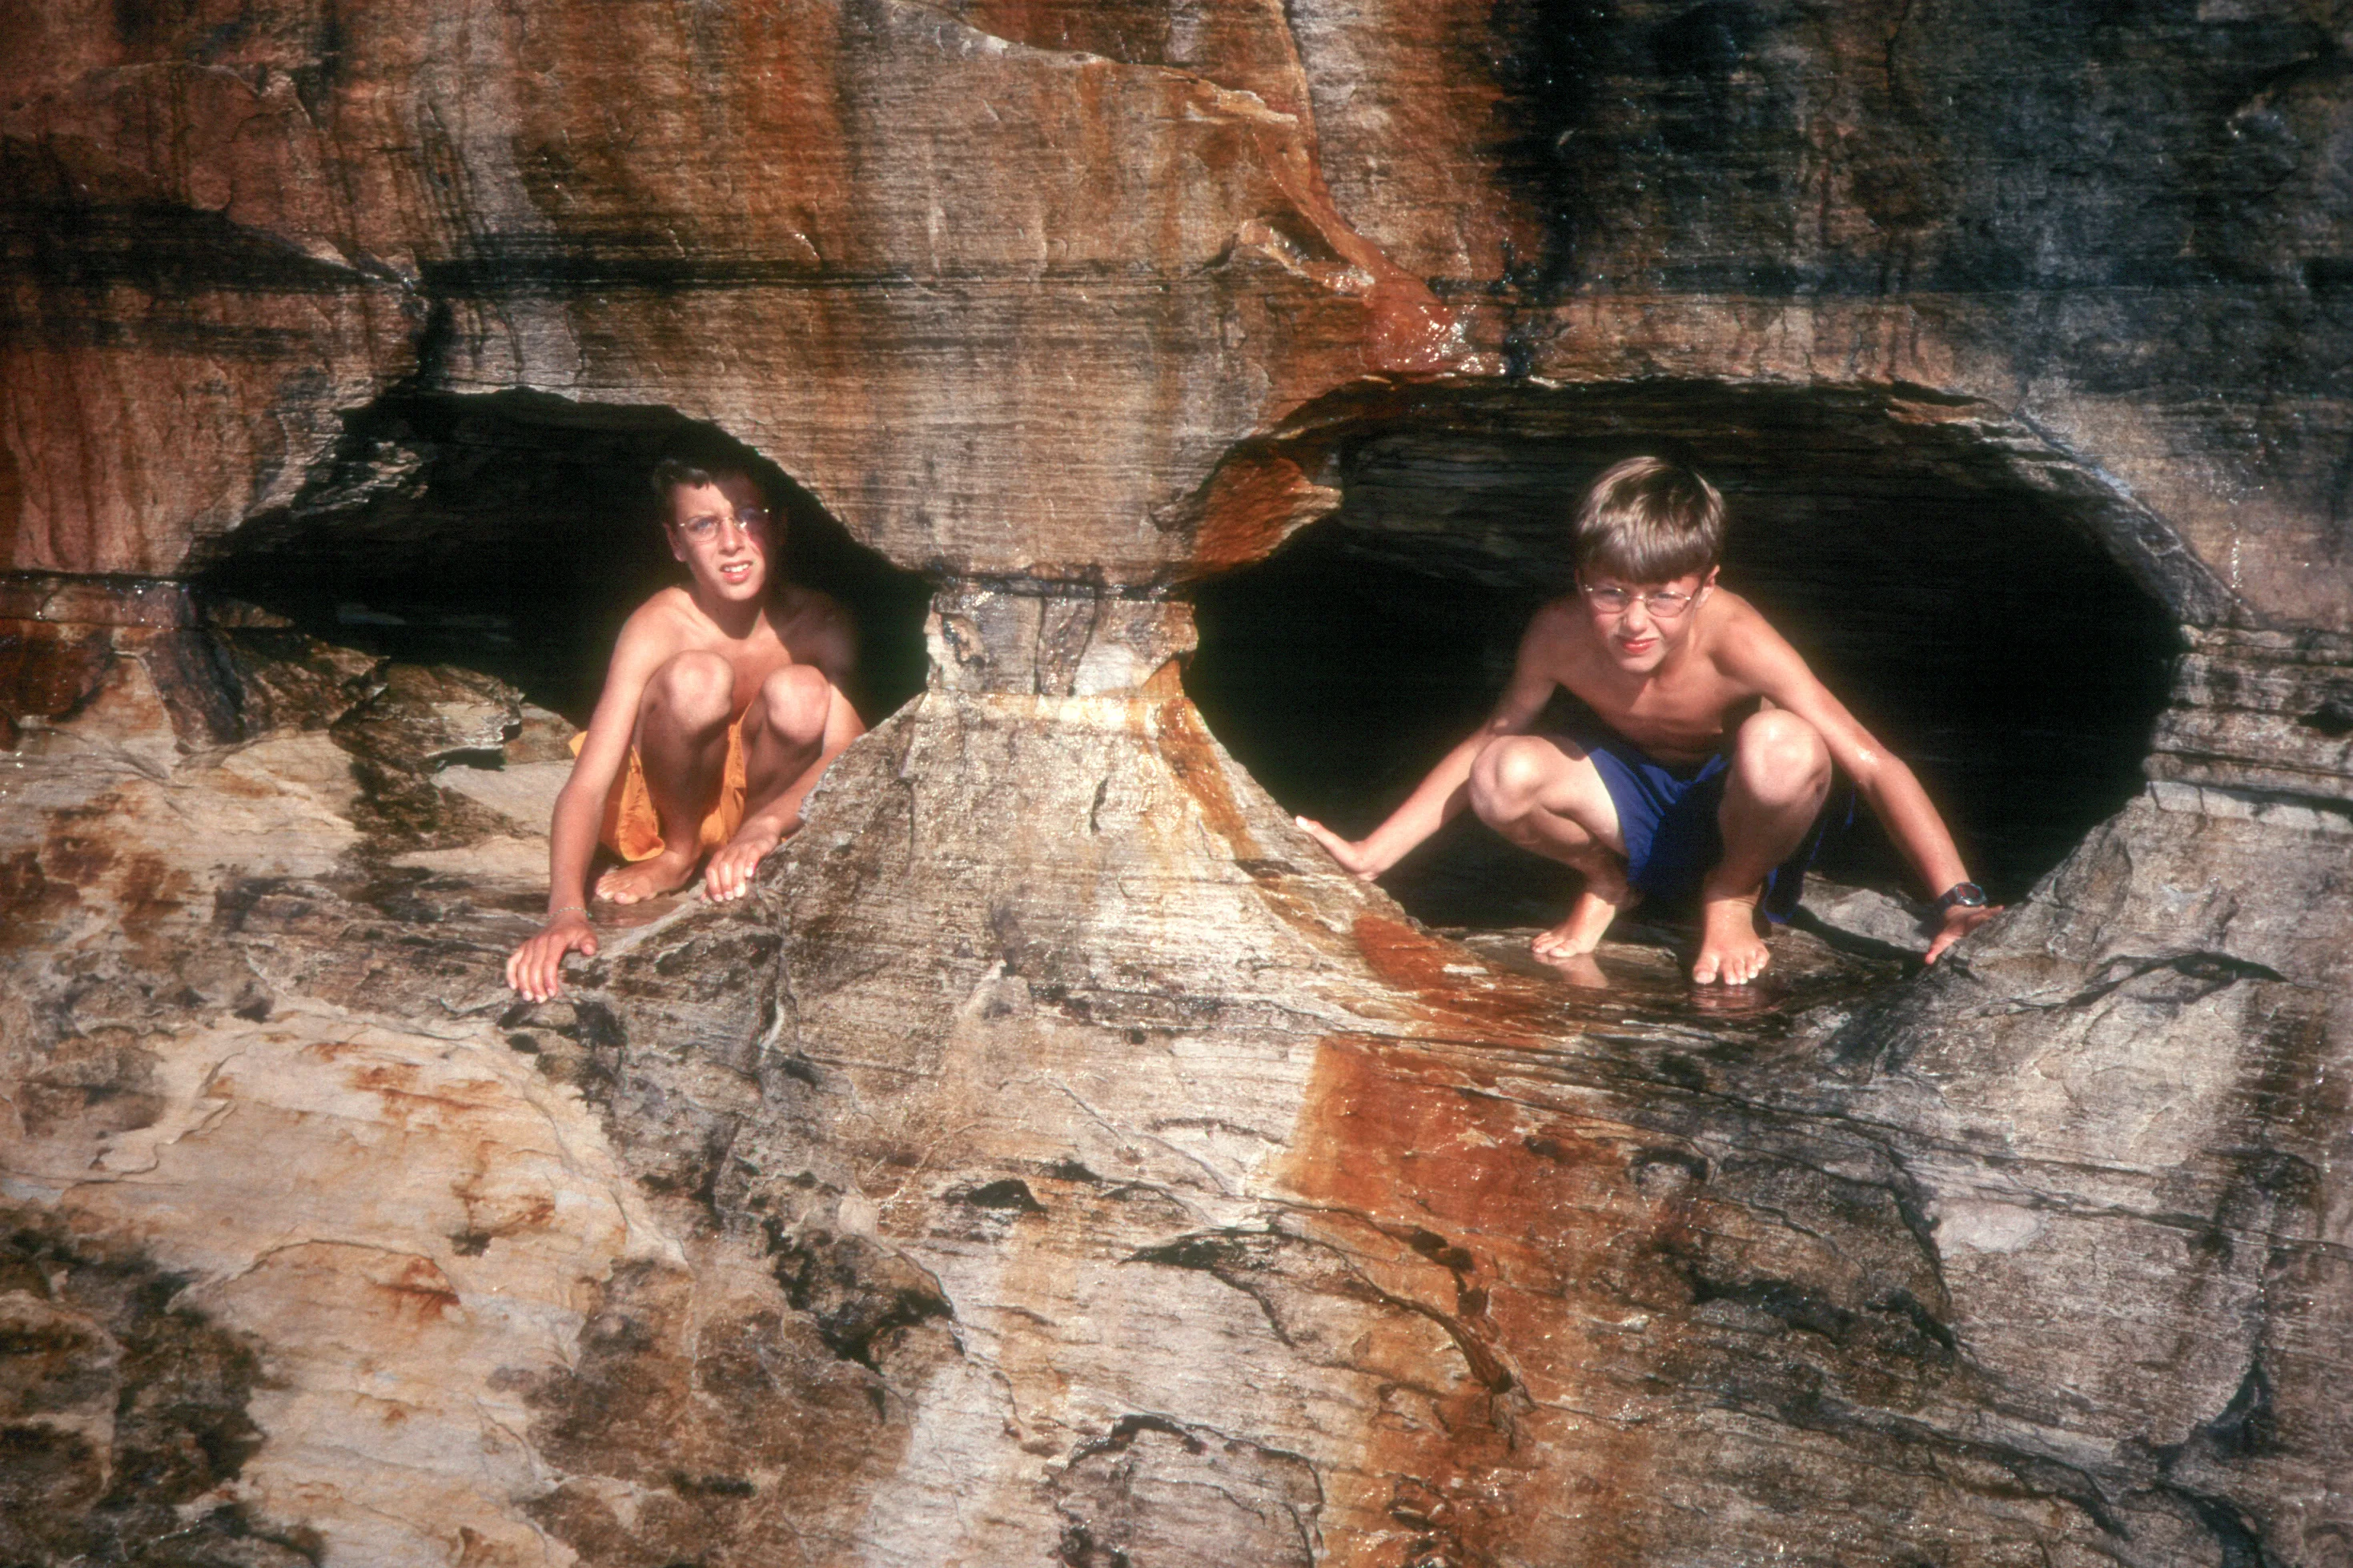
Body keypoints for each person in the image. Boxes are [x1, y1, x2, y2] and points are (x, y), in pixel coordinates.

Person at [1296, 456, 1998, 985]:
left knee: (1781, 741)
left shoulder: (1737, 637)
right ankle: (1606, 878)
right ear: (1580, 580)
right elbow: (1493, 734)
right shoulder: (1558, 633)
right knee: (1500, 773)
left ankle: (1731, 892)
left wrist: (1957, 900)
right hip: (1635, 806)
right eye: (1611, 593)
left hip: (1747, 813)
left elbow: (1871, 762)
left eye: (1664, 597)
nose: (1634, 622)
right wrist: (1374, 854)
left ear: (1705, 586)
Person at [506, 446, 865, 1001]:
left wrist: (766, 826)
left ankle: (738, 846)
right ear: (675, 543)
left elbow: (848, 750)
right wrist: (564, 912)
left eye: (749, 515)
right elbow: (588, 783)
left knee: (802, 691)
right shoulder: (659, 624)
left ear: (781, 525)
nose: (731, 542)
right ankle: (679, 854)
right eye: (703, 525)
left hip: (757, 809)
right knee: (697, 678)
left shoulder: (820, 621)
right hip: (662, 807)